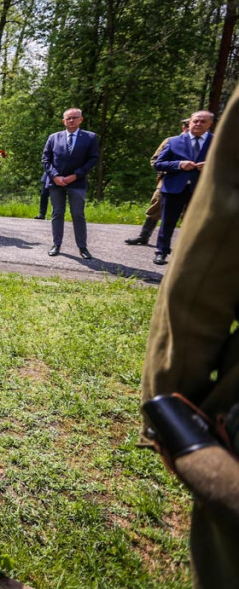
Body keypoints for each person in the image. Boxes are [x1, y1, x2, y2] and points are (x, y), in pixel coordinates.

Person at [141, 90, 238, 588]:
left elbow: (209, 260)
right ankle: (155, 244)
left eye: (207, 120)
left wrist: (170, 400)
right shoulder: (176, 142)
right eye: (197, 119)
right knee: (167, 228)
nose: (201, 124)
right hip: (177, 186)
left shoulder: (226, 138)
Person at [151, 110, 215, 265]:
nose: (198, 124)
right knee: (167, 222)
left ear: (210, 124)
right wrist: (179, 164)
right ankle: (161, 252)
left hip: (202, 190)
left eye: (202, 121)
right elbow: (158, 164)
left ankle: (193, 254)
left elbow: (229, 165)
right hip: (174, 188)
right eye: (195, 121)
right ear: (190, 122)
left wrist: (210, 166)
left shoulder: (219, 142)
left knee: (199, 224)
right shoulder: (173, 141)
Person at [41, 108, 99, 259]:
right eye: (68, 118)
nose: (71, 120)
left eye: (74, 118)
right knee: (57, 213)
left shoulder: (90, 137)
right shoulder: (54, 137)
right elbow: (45, 159)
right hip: (56, 183)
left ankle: (82, 247)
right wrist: (55, 176)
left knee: (78, 215)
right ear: (63, 121)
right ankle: (56, 244)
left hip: (77, 183)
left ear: (81, 119)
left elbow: (93, 159)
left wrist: (76, 175)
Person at [124, 133, 175, 246]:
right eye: (186, 125)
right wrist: (165, 169)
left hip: (194, 183)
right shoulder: (171, 141)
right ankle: (143, 236)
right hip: (167, 180)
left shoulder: (207, 141)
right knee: (156, 204)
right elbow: (155, 160)